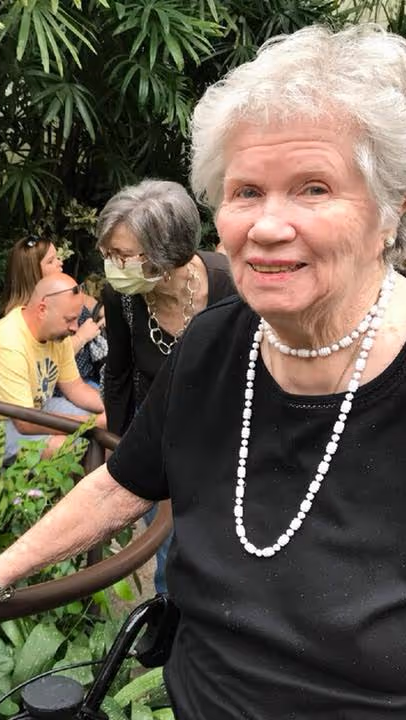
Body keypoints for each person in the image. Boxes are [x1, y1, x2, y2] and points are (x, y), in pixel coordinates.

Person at [0, 24, 406, 718]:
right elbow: (122, 484)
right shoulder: (211, 346)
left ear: (394, 205)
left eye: (314, 188)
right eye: (246, 191)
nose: (267, 225)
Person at [98, 179, 235, 593]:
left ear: (165, 255)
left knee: (223, 540)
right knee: (167, 545)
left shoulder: (230, 285)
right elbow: (118, 373)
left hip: (224, 430)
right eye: (107, 254)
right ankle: (167, 629)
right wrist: (121, 452)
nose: (113, 265)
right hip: (158, 426)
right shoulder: (121, 295)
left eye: (122, 255)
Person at [0, 272, 106, 460]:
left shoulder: (57, 336)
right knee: (67, 447)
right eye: (69, 319)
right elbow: (25, 423)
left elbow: (76, 387)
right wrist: (93, 423)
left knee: (112, 428)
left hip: (34, 408)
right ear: (42, 310)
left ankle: (105, 487)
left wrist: (114, 409)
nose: (75, 328)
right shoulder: (7, 344)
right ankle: (76, 488)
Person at [0, 235, 106, 387]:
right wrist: (82, 336)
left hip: (89, 376)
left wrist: (102, 311)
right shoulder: (30, 315)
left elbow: (85, 300)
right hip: (59, 388)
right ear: (33, 272)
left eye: (57, 257)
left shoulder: (61, 291)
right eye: (51, 261)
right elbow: (44, 359)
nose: (60, 263)